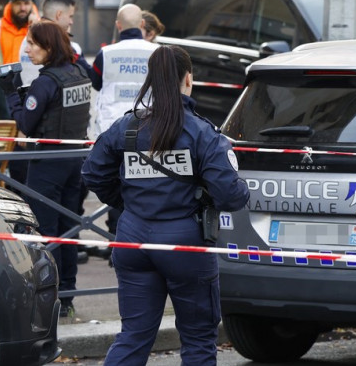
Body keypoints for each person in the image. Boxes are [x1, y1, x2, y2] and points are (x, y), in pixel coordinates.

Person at [82, 45, 250, 366]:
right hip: (186, 245)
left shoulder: (127, 127)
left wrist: (129, 203)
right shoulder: (202, 133)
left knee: (133, 336)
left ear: (152, 80)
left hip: (132, 238)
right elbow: (231, 196)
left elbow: (93, 173)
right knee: (198, 340)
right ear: (188, 79)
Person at [3, 20, 92, 319]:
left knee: (45, 232)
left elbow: (27, 125)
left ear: (49, 47)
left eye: (32, 43)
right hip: (75, 161)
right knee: (69, 232)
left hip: (48, 164)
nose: (27, 49)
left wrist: (12, 94)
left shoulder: (46, 82)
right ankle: (66, 294)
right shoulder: (79, 73)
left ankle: (46, 298)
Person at [89, 4, 159, 138]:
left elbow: (96, 84)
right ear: (142, 23)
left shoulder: (105, 54)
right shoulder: (157, 52)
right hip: (148, 126)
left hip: (111, 127)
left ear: (118, 25)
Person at [0, 0, 35, 119]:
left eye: (26, 3)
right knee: (6, 131)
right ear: (10, 4)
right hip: (4, 85)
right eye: (18, 3)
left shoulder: (40, 27)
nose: (22, 8)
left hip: (32, 84)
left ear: (32, 4)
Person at [19, 0, 82, 87]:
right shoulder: (62, 45)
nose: (71, 22)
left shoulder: (26, 40)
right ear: (58, 15)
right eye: (70, 16)